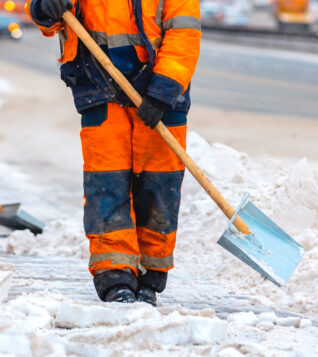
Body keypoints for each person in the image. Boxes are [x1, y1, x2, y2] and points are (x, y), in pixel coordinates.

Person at [26, 0, 201, 305]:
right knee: (107, 183)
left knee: (159, 185)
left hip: (159, 93)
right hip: (99, 88)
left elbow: (183, 34)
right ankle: (114, 274)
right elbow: (47, 18)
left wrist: (163, 90)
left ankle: (151, 273)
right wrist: (44, 7)